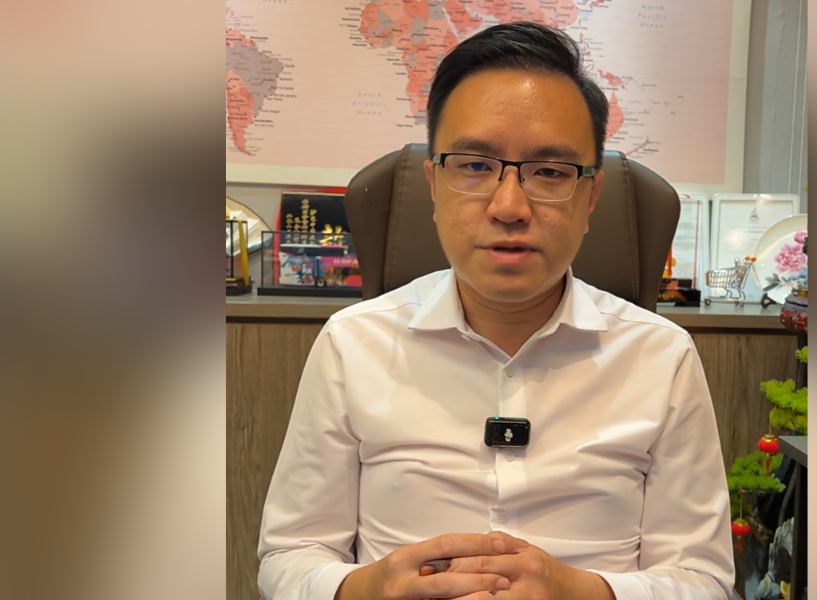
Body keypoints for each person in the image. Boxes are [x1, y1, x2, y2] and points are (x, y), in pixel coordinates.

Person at [258, 22, 735, 600]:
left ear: (591, 196)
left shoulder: (661, 356)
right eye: (475, 166)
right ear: (434, 185)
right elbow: (289, 555)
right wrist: (369, 587)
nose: (509, 207)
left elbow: (702, 579)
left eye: (550, 172)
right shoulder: (352, 343)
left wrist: (580, 592)